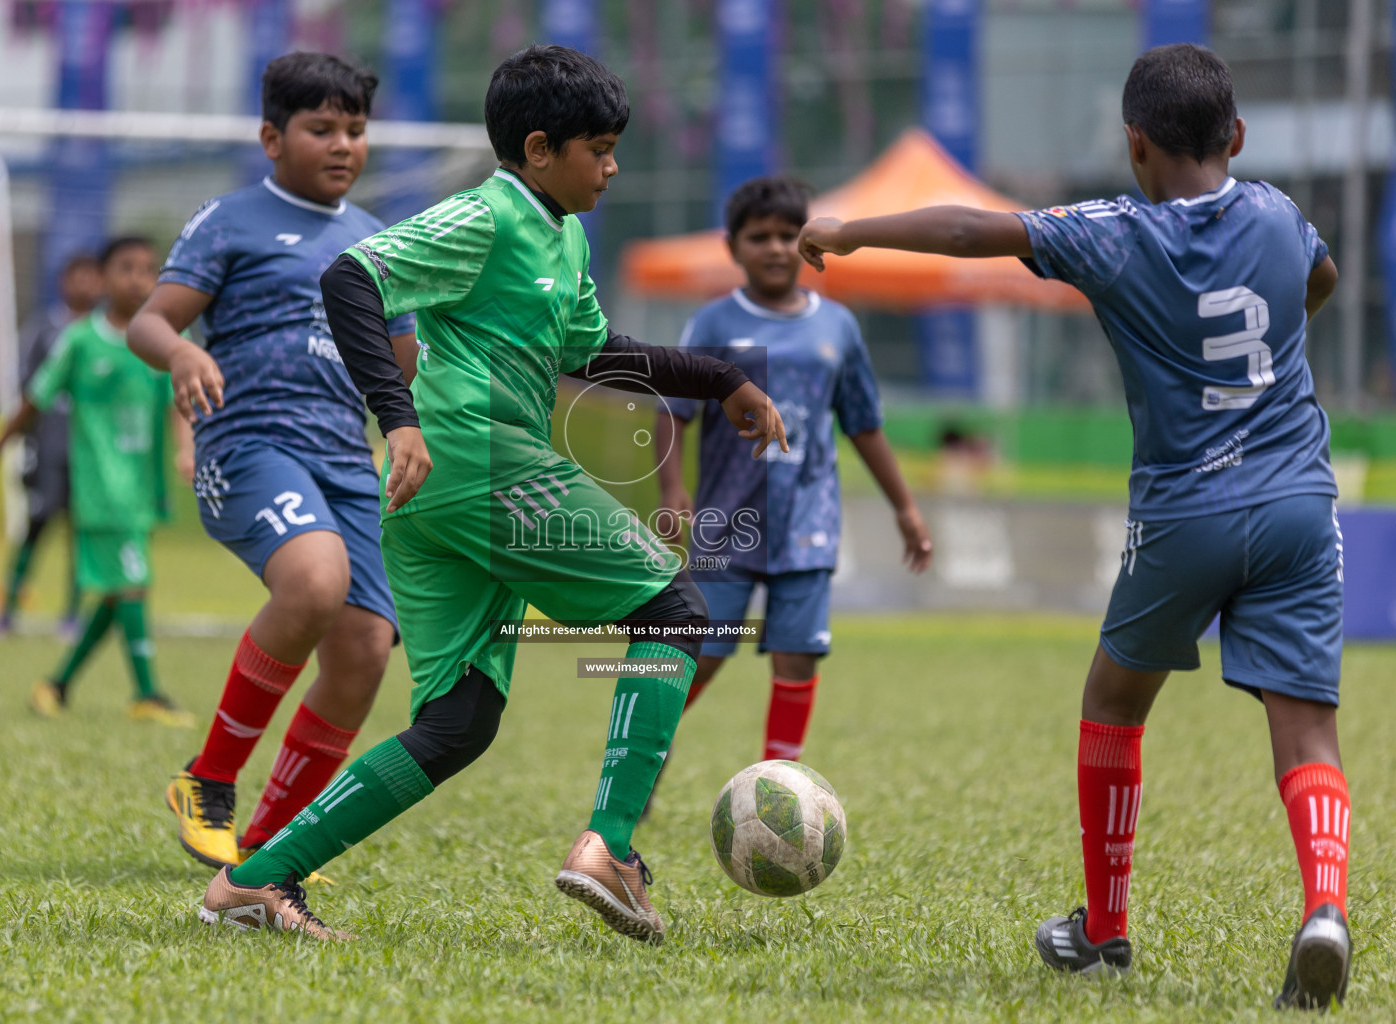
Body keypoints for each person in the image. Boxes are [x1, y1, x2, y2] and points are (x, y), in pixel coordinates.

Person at [195, 44, 787, 944]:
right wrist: (397, 417)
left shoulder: (564, 234)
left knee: (458, 723)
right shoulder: (487, 214)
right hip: (477, 462)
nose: (614, 166)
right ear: (540, 149)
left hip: (437, 499)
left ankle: (256, 878)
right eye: (600, 148)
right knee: (674, 610)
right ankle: (612, 850)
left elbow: (589, 355)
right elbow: (352, 276)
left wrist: (720, 379)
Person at [799, 43, 1348, 1009]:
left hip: (1188, 510)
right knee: (1306, 728)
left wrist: (850, 229)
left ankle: (1103, 927)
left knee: (1113, 699)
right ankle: (1326, 910)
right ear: (1239, 136)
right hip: (1301, 501)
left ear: (1135, 144)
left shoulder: (1117, 235)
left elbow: (976, 230)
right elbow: (1323, 279)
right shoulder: (1279, 212)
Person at [127, 52, 419, 875]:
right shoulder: (231, 221)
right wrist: (182, 353)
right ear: (270, 137)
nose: (343, 145)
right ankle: (208, 780)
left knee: (364, 648)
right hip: (250, 443)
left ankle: (266, 850)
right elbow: (148, 324)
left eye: (356, 130)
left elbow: (403, 364)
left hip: (344, 462)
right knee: (315, 583)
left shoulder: (377, 243)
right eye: (321, 128)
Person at [655, 175, 932, 770]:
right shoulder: (713, 324)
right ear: (733, 247)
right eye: (760, 237)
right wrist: (672, 488)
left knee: (797, 657)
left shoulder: (837, 327)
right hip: (727, 522)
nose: (776, 248)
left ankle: (780, 788)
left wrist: (905, 508)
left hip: (808, 523)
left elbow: (863, 423)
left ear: (811, 245)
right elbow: (674, 411)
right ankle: (646, 754)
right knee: (700, 650)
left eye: (788, 235)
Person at [0, 236, 193, 727]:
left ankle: (56, 685)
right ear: (102, 278)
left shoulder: (161, 340)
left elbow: (178, 400)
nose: (138, 278)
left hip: (142, 488)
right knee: (133, 585)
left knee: (118, 592)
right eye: (125, 268)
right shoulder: (79, 340)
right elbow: (30, 405)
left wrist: (186, 449)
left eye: (147, 269)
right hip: (98, 488)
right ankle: (147, 694)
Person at [0, 252, 103, 638]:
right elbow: (28, 392)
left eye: (92, 277)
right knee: (36, 529)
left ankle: (70, 615)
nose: (85, 285)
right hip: (49, 450)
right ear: (62, 282)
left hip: (91, 455)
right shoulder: (44, 329)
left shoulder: (105, 333)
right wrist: (23, 442)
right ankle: (6, 611)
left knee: (82, 534)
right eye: (78, 277)